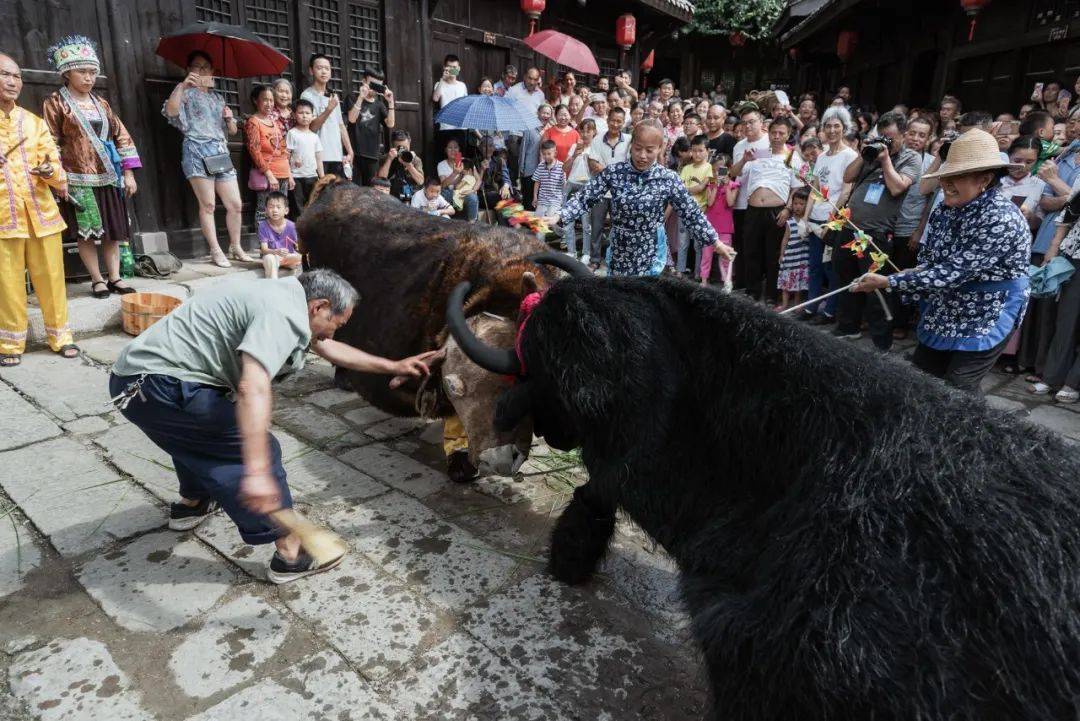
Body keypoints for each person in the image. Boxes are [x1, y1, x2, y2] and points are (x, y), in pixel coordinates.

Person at [109, 269, 437, 583]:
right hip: (160, 389)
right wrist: (256, 471)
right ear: (319, 306)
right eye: (334, 323)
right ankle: (291, 553)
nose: (332, 333)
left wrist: (392, 365)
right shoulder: (282, 313)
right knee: (259, 450)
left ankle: (192, 504)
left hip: (134, 384)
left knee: (199, 433)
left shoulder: (282, 296)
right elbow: (253, 386)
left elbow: (324, 345)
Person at [853, 130, 1030, 394]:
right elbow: (932, 261)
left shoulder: (1001, 219)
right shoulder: (944, 209)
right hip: (946, 304)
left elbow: (953, 272)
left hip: (988, 309)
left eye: (957, 177)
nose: (946, 183)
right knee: (922, 378)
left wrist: (890, 281)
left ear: (985, 179)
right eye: (945, 176)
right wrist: (912, 273)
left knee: (959, 387)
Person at [546, 121, 734, 277]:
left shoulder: (668, 178)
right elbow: (586, 197)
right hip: (621, 249)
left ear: (660, 149)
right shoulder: (614, 172)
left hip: (651, 251)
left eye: (650, 150)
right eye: (637, 149)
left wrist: (715, 242)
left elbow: (691, 212)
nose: (642, 156)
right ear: (631, 146)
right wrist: (560, 215)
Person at [43, 35, 140, 299]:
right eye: (82, 72)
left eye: (92, 72)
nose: (89, 77)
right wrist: (58, 176)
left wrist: (128, 172)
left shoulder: (102, 103)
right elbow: (49, 141)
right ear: (67, 73)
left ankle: (115, 277)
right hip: (78, 178)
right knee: (87, 233)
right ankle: (97, 280)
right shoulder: (56, 103)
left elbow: (121, 135)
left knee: (113, 230)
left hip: (109, 176)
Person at [0, 52, 78, 367]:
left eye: (16, 76)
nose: (12, 81)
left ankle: (61, 336)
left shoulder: (34, 123)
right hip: (4, 215)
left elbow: (56, 169)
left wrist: (49, 171)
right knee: (7, 281)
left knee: (51, 277)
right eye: (5, 74)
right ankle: (10, 342)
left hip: (41, 213)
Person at [836, 111, 921, 351]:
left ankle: (881, 342)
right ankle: (848, 327)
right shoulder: (870, 153)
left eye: (891, 138)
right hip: (851, 226)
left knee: (876, 287)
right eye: (882, 136)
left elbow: (897, 188)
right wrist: (866, 153)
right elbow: (848, 176)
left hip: (878, 233)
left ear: (903, 136)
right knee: (846, 275)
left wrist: (885, 160)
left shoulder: (910, 158)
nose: (886, 142)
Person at [163, 50, 244, 267]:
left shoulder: (218, 98)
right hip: (197, 150)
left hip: (220, 151)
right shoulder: (184, 94)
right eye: (197, 67)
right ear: (189, 70)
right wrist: (181, 86)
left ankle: (235, 246)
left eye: (206, 67)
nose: (202, 71)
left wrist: (229, 120)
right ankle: (215, 250)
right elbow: (171, 113)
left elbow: (233, 131)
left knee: (235, 204)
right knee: (208, 204)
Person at [798, 106, 858, 325]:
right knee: (814, 265)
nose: (832, 130)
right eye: (828, 126)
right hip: (815, 218)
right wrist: (805, 218)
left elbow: (845, 191)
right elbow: (815, 187)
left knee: (830, 267)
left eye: (837, 126)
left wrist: (831, 222)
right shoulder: (822, 156)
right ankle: (811, 306)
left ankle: (830, 311)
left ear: (844, 128)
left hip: (833, 221)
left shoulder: (850, 156)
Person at [740, 116, 800, 303]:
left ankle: (772, 295)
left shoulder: (792, 157)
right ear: (768, 132)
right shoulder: (757, 153)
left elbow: (797, 188)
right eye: (773, 132)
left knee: (773, 254)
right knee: (751, 251)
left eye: (781, 133)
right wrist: (744, 160)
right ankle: (753, 290)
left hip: (777, 210)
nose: (776, 136)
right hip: (753, 209)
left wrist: (788, 209)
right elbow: (733, 174)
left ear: (788, 135)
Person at [1036, 192, 1080, 402]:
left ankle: (1073, 383)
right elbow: (1068, 215)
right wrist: (1053, 247)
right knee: (1066, 320)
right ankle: (1052, 376)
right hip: (1075, 257)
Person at [729, 105, 772, 289]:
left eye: (752, 122)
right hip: (741, 202)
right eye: (744, 123)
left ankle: (760, 285)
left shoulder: (771, 143)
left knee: (761, 247)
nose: (747, 126)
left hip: (763, 203)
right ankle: (743, 283)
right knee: (742, 244)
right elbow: (734, 173)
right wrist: (744, 160)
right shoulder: (739, 145)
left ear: (761, 123)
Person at [585, 106, 630, 270]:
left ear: (624, 123)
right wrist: (615, 172)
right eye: (613, 120)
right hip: (600, 191)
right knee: (596, 226)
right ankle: (595, 260)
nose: (615, 124)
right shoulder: (597, 140)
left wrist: (606, 169)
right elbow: (593, 164)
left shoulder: (629, 140)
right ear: (607, 120)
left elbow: (630, 166)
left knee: (618, 227)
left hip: (620, 193)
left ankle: (615, 259)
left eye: (619, 121)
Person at [246, 84, 294, 224]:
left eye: (271, 100)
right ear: (256, 101)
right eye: (265, 100)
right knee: (265, 209)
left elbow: (283, 149)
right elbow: (254, 151)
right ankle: (264, 243)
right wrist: (269, 175)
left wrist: (289, 174)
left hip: (283, 173)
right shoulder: (253, 122)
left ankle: (278, 241)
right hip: (268, 175)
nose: (269, 104)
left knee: (281, 209)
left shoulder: (274, 121)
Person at [301, 55, 353, 179]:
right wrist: (329, 109)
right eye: (319, 68)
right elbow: (311, 127)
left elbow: (340, 125)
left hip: (337, 155)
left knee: (337, 196)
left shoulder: (333, 96)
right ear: (311, 70)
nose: (324, 71)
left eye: (327, 68)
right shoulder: (307, 95)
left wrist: (350, 150)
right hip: (319, 156)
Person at [347, 68, 394, 186]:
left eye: (378, 85)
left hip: (372, 155)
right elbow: (352, 119)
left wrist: (390, 102)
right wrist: (361, 97)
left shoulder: (379, 105)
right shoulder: (352, 98)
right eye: (372, 84)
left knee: (370, 192)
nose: (374, 88)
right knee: (354, 190)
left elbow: (390, 124)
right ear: (364, 81)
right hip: (355, 154)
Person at [674, 134, 713, 276]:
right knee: (683, 243)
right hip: (684, 211)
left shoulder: (709, 168)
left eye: (700, 150)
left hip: (700, 211)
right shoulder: (686, 168)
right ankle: (680, 270)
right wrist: (688, 189)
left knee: (698, 245)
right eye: (694, 150)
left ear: (707, 151)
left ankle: (698, 273)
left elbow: (701, 188)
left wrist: (686, 190)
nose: (697, 154)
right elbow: (679, 189)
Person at [505, 67, 546, 186]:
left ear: (538, 80)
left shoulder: (540, 94)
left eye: (535, 79)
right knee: (515, 162)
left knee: (529, 164)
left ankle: (526, 189)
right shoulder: (514, 90)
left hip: (532, 134)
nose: (532, 82)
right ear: (524, 77)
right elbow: (505, 108)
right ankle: (513, 188)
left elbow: (542, 112)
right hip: (516, 132)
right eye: (530, 78)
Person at [701, 157, 738, 288]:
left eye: (722, 170)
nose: (718, 173)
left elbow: (730, 202)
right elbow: (709, 203)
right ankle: (704, 280)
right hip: (710, 225)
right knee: (706, 254)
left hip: (725, 226)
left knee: (725, 255)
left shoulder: (733, 185)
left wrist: (726, 185)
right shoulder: (710, 183)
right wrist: (716, 185)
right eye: (716, 170)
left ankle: (726, 281)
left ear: (728, 170)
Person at [564, 118, 597, 260]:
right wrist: (574, 155)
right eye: (582, 130)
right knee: (568, 221)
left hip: (587, 187)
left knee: (586, 224)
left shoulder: (596, 148)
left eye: (588, 131)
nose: (584, 134)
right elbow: (564, 168)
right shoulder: (574, 147)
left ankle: (586, 253)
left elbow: (596, 172)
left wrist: (588, 158)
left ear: (594, 132)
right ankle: (571, 251)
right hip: (571, 184)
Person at [286, 99, 324, 213]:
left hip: (312, 177)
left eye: (307, 113)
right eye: (301, 113)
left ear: (313, 116)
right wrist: (289, 176)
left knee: (312, 207)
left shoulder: (314, 137)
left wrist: (322, 178)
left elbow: (318, 159)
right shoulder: (292, 133)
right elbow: (286, 156)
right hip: (296, 177)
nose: (304, 116)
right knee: (298, 209)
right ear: (294, 115)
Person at [777, 188, 811, 310]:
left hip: (802, 259)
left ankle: (797, 304)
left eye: (801, 204)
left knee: (799, 284)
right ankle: (785, 304)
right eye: (795, 203)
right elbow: (785, 239)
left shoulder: (808, 222)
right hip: (790, 257)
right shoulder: (790, 222)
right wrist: (782, 254)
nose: (798, 207)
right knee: (786, 283)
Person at [257, 191, 301, 279]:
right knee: (269, 258)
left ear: (286, 210)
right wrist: (276, 251)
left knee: (300, 257)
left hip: (288, 258)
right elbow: (264, 249)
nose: (275, 210)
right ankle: (274, 284)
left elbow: (298, 246)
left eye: (278, 207)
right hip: (273, 257)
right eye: (271, 207)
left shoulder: (292, 226)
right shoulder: (263, 225)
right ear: (266, 210)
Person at [432, 53, 468, 157]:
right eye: (449, 67)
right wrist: (442, 79)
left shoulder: (462, 85)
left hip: (461, 126)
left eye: (454, 67)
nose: (452, 70)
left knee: (459, 157)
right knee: (445, 157)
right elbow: (435, 98)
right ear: (445, 68)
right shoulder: (440, 84)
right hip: (446, 126)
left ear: (459, 68)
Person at [519, 103, 552, 211]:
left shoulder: (551, 130)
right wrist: (521, 168)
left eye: (548, 113)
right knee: (528, 201)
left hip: (545, 173)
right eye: (543, 113)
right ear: (538, 113)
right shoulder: (529, 129)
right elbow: (522, 149)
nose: (545, 115)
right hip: (530, 170)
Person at [376, 129, 424, 204]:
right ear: (393, 146)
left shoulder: (415, 159)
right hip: (391, 197)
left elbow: (420, 181)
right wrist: (389, 159)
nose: (402, 150)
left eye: (405, 147)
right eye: (399, 148)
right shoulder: (387, 157)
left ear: (409, 143)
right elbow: (380, 179)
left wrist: (409, 165)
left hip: (411, 197)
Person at [437, 139, 478, 221]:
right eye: (450, 148)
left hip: (464, 192)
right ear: (445, 150)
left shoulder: (466, 161)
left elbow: (478, 179)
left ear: (459, 149)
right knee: (441, 193)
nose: (453, 150)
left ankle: (472, 224)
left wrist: (473, 190)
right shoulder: (441, 164)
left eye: (455, 147)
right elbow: (443, 185)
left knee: (473, 198)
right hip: (450, 194)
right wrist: (455, 173)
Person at [532, 139, 564, 219]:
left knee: (549, 220)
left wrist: (563, 200)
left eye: (549, 154)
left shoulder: (561, 166)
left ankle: (556, 229)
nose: (546, 156)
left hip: (555, 201)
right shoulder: (540, 166)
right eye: (544, 154)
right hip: (542, 199)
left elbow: (564, 184)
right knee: (538, 221)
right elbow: (537, 182)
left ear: (555, 153)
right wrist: (535, 197)